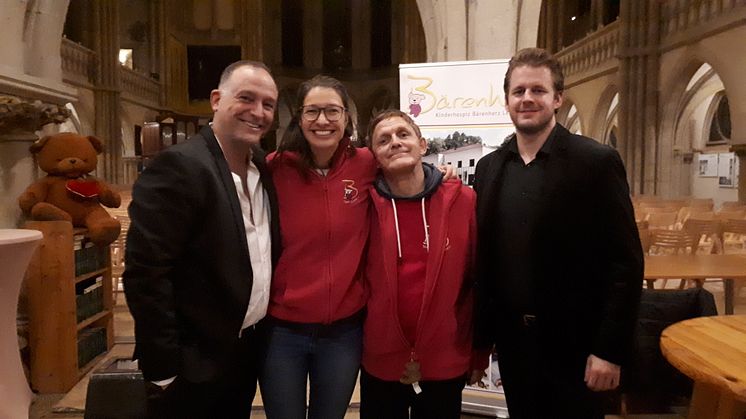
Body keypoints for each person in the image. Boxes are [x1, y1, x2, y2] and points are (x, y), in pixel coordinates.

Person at [473, 48, 643, 418]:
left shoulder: (595, 162)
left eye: (538, 90)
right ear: (506, 101)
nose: (527, 99)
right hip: (514, 344)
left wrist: (609, 351)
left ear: (557, 98)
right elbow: (486, 261)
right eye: (518, 92)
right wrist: (481, 340)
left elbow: (625, 263)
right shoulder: (489, 168)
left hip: (577, 345)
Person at [123, 60, 281, 418]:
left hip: (244, 354)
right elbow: (146, 273)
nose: (258, 112)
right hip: (191, 363)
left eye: (268, 104)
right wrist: (164, 368)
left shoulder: (262, 166)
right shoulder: (179, 165)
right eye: (246, 98)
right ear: (216, 99)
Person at [259, 75, 376, 419]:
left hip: (343, 331)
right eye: (312, 111)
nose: (322, 121)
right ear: (298, 117)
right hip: (282, 330)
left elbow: (408, 172)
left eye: (332, 111)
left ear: (347, 118)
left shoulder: (367, 163)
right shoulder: (273, 168)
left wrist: (439, 175)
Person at [359, 110, 487, 419]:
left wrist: (479, 352)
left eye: (403, 134)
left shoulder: (463, 201)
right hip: (381, 358)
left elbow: (476, 279)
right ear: (374, 156)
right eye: (384, 140)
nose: (395, 143)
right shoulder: (363, 206)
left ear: (422, 144)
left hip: (444, 357)